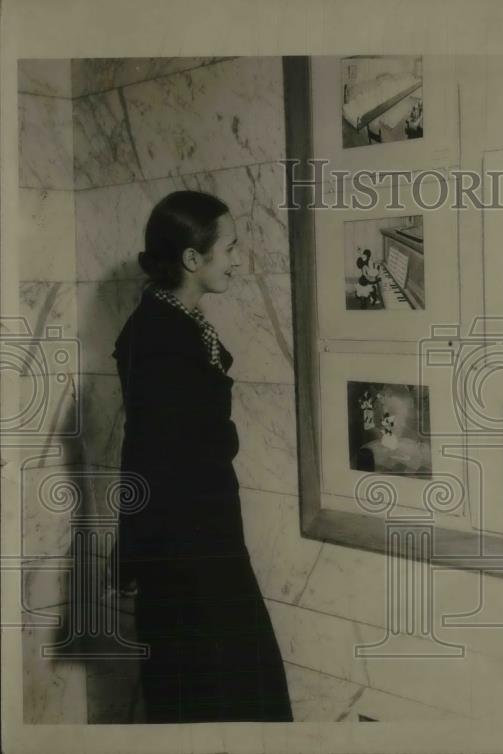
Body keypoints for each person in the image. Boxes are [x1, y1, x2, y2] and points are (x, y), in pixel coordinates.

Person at [111, 190, 293, 723]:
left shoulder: (171, 324)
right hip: (190, 556)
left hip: (198, 544)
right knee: (222, 695)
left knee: (221, 691)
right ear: (193, 259)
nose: (238, 260)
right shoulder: (161, 338)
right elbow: (160, 454)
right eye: (230, 248)